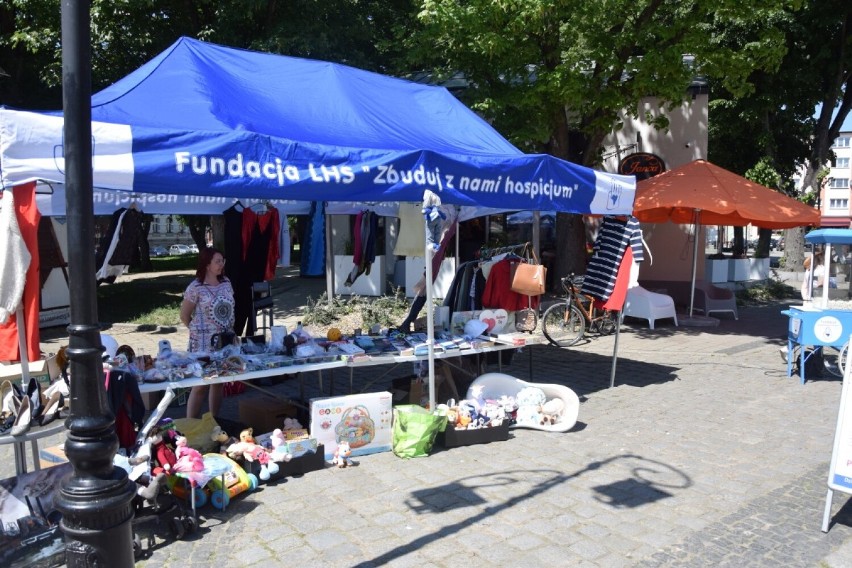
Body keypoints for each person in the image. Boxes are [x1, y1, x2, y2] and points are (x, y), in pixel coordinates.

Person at [180, 247, 235, 418]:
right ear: (207, 264)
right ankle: (191, 423)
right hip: (202, 345)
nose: (221, 264)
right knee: (200, 383)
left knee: (218, 381)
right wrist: (198, 331)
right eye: (217, 261)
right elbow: (184, 315)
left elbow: (231, 308)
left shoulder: (226, 282)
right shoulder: (195, 287)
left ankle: (213, 420)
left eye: (222, 261)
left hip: (224, 341)